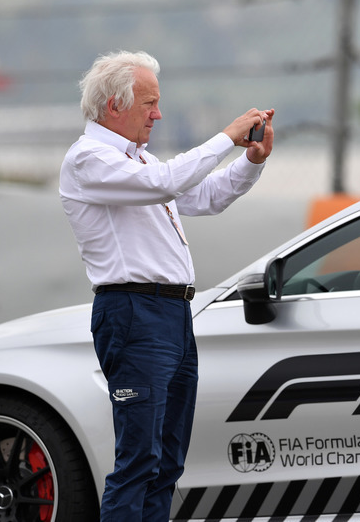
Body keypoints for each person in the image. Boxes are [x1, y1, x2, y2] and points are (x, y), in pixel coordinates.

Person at [58, 50, 274, 522]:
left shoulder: (138, 161)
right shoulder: (89, 159)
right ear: (114, 106)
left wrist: (250, 162)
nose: (158, 113)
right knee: (139, 461)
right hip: (133, 313)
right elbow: (165, 183)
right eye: (149, 103)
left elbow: (206, 196)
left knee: (166, 463)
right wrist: (226, 137)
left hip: (170, 316)